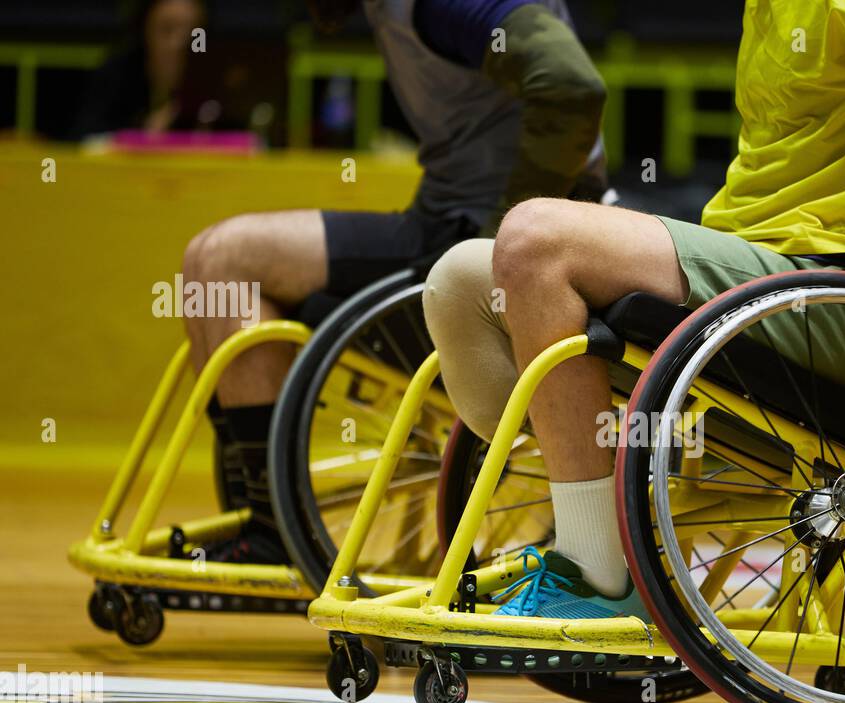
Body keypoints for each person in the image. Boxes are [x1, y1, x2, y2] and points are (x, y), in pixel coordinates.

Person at [423, 0, 845, 618]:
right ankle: (603, 516)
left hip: (833, 298)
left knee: (536, 238)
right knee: (464, 278)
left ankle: (599, 574)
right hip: (757, 279)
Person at [181, 0, 608, 564]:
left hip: (482, 241)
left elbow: (571, 84)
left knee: (225, 261)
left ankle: (275, 531)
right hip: (443, 222)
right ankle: (267, 520)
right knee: (213, 264)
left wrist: (502, 241)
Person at [70, 0, 207, 139]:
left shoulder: (213, 82)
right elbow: (85, 139)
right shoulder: (116, 75)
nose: (179, 43)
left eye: (193, 34)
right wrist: (142, 136)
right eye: (167, 29)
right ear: (144, 31)